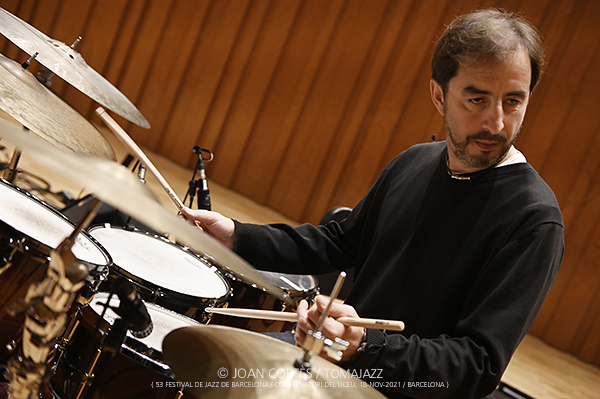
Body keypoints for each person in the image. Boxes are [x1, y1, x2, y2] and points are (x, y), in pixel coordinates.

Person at [181, 8, 564, 399]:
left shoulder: (533, 220)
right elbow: (339, 243)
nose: (496, 123)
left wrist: (364, 345)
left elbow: (476, 365)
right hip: (337, 370)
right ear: (438, 94)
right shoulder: (415, 161)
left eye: (513, 101)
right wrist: (237, 237)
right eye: (477, 99)